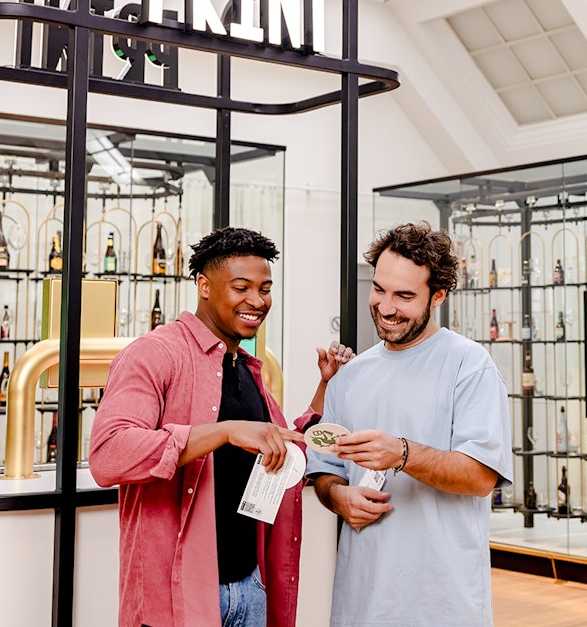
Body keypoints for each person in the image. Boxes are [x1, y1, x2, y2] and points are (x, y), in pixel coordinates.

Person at [89, 226, 353, 627]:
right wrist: (224, 432)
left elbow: (285, 449)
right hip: (175, 598)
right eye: (241, 287)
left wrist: (326, 387)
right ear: (204, 286)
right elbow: (109, 453)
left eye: (265, 289)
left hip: (249, 589)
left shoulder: (244, 367)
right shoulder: (153, 354)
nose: (257, 301)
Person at [307, 222, 512, 626]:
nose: (386, 308)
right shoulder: (349, 376)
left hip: (442, 605)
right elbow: (325, 471)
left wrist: (401, 453)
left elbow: (480, 477)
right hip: (361, 602)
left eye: (404, 296)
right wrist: (339, 497)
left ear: (438, 295)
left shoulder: (469, 366)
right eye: (379, 289)